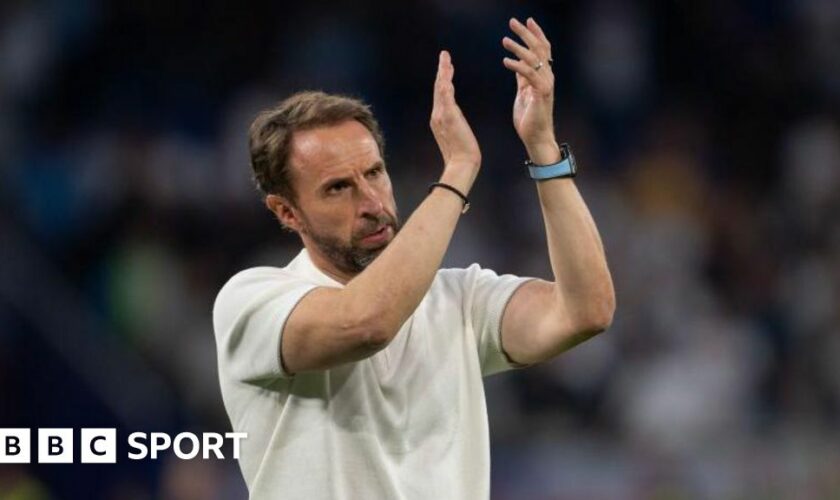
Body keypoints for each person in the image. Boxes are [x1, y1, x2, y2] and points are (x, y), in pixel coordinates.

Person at [213, 17, 614, 499]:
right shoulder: (252, 301)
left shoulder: (460, 299)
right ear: (286, 211)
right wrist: (459, 169)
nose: (372, 202)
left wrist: (544, 150)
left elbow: (586, 310)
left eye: (375, 173)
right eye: (338, 188)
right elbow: (369, 323)